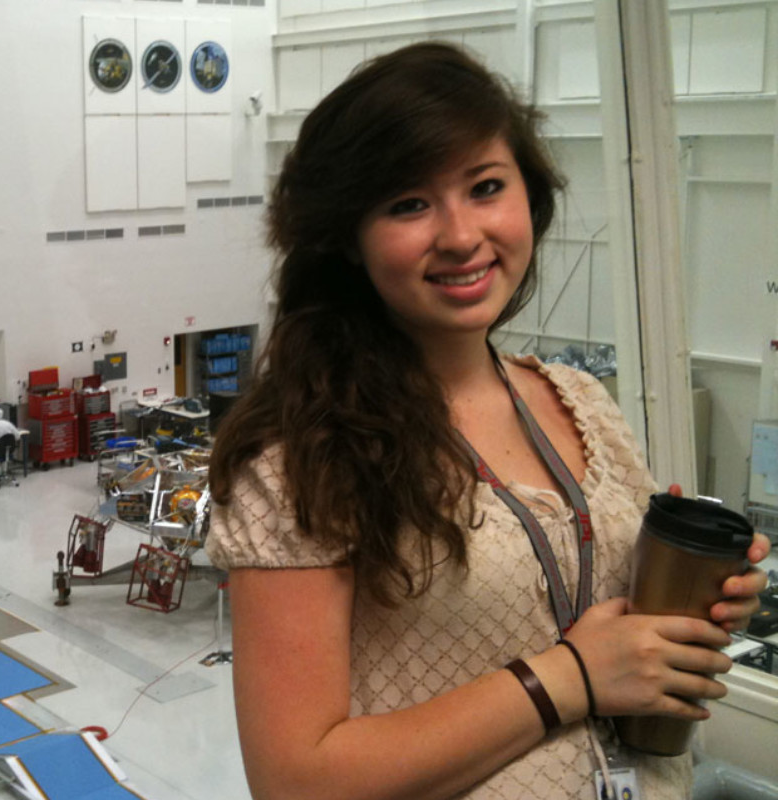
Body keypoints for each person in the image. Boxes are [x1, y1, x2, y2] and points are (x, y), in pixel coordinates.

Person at [206, 42, 771, 800]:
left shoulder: (582, 406)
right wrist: (567, 677)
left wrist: (684, 603)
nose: (462, 235)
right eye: (408, 204)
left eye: (485, 187)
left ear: (527, 198)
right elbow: (297, 780)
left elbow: (593, 612)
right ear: (348, 236)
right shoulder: (300, 460)